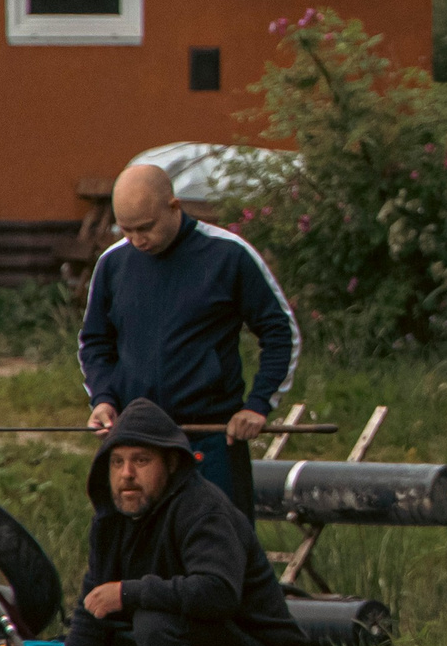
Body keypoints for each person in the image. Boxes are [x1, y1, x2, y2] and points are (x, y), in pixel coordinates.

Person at [42, 399, 308, 646]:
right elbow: (90, 613)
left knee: (155, 620)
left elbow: (218, 593)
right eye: (117, 463)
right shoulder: (110, 523)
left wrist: (130, 593)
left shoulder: (203, 509)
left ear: (170, 463)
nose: (127, 475)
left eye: (141, 461)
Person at [80, 161, 299, 524]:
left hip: (210, 439)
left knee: (222, 548)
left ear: (174, 207)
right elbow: (95, 343)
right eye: (127, 230)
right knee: (141, 560)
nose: (137, 240)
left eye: (145, 228)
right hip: (137, 439)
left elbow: (280, 332)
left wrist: (258, 404)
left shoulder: (228, 255)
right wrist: (102, 398)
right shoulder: (113, 264)